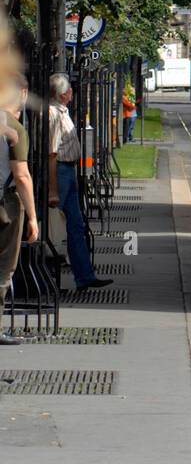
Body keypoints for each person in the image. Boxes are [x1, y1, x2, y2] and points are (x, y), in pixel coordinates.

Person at [48, 74, 112, 290]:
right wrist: (53, 189)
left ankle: (84, 276)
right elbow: (51, 153)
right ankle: (51, 276)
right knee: (53, 226)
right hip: (60, 173)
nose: (73, 93)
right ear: (64, 93)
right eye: (70, 90)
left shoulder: (62, 113)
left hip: (68, 172)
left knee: (76, 224)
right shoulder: (53, 115)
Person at [0, 75, 39, 344]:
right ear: (22, 94)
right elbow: (22, 176)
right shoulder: (14, 128)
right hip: (5, 204)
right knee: (3, 267)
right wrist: (33, 217)